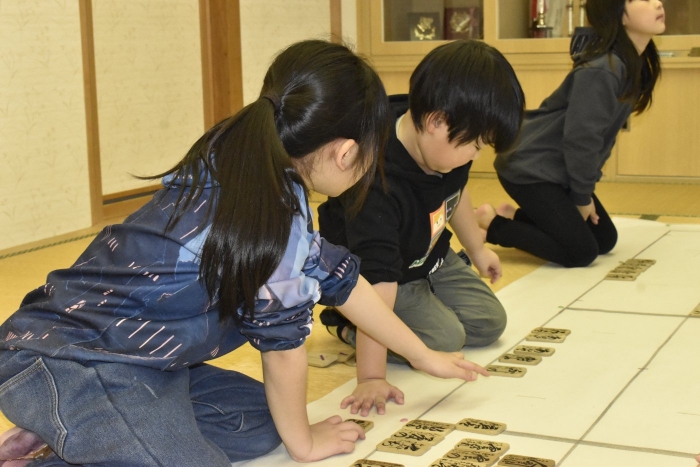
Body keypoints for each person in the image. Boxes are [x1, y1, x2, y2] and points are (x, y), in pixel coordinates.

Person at [0, 40, 489, 467]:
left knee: (264, 423)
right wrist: (304, 444)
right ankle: (75, 419)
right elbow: (283, 354)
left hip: (143, 364)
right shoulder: (269, 222)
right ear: (345, 153)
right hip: (64, 359)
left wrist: (423, 355)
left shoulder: (255, 172)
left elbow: (342, 280)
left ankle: (82, 427)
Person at [317, 40, 525, 416]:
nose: (475, 156)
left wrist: (477, 249)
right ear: (436, 122)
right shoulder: (376, 178)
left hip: (428, 254)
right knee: (445, 338)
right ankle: (345, 322)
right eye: (475, 146)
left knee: (489, 323)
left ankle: (409, 314)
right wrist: (371, 377)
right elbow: (378, 284)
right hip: (380, 275)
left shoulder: (449, 143)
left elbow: (455, 193)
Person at [476, 0, 665, 268]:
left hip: (558, 168)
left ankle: (518, 217)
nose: (658, 3)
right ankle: (493, 224)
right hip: (530, 169)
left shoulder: (630, 63)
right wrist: (581, 197)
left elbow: (602, 138)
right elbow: (581, 140)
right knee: (581, 253)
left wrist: (584, 191)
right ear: (618, 15)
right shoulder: (603, 69)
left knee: (604, 240)